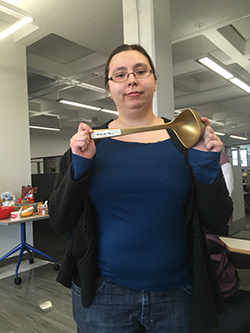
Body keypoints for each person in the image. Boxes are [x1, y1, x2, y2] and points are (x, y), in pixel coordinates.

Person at [48, 44, 233, 333]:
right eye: (119, 75)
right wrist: (79, 168)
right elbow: (60, 221)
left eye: (140, 71)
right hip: (103, 295)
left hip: (178, 294)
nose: (131, 80)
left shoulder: (186, 142)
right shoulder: (88, 145)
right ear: (109, 88)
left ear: (154, 80)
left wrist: (206, 164)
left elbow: (218, 221)